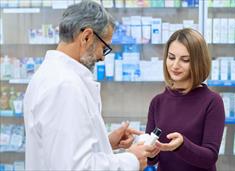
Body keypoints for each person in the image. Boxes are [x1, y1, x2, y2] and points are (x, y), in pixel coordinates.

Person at [23, 1, 148, 170]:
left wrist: (105, 142)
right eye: (104, 48)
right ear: (86, 36)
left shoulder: (50, 75)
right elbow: (77, 167)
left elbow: (60, 151)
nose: (102, 58)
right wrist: (132, 159)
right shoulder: (65, 86)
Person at [145, 28, 225, 171]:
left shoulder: (212, 102)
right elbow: (152, 159)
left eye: (185, 60)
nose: (175, 65)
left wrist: (182, 145)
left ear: (198, 63)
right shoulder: (157, 102)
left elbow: (210, 157)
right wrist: (147, 150)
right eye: (171, 57)